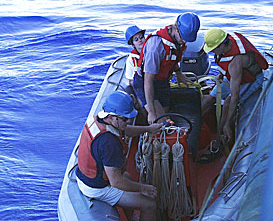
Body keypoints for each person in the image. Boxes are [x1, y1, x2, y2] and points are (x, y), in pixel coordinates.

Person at [76, 90, 163, 221]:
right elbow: (116, 182)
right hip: (97, 188)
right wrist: (143, 188)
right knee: (149, 204)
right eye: (124, 118)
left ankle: (130, 218)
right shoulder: (109, 143)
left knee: (127, 176)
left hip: (85, 177)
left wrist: (148, 129)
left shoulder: (100, 120)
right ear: (111, 117)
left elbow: (125, 130)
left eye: (130, 117)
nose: (129, 121)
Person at [201, 27, 268, 161]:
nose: (212, 52)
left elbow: (235, 96)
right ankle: (196, 128)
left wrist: (228, 123)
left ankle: (220, 142)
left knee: (227, 104)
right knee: (209, 99)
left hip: (250, 80)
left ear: (222, 45)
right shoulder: (227, 44)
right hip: (230, 76)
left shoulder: (235, 63)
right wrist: (221, 74)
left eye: (213, 49)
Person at [132, 12, 200, 124]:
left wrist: (179, 74)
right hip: (146, 82)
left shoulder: (177, 40)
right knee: (161, 120)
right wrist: (152, 113)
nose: (184, 42)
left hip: (162, 81)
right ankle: (144, 112)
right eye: (183, 38)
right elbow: (147, 80)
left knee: (166, 110)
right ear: (175, 28)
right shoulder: (156, 47)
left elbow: (173, 58)